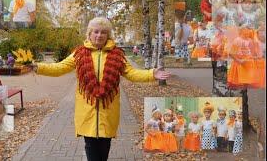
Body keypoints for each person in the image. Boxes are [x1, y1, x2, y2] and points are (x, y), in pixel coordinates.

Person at [33, 17, 171, 161]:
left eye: (103, 32)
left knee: (104, 150)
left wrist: (151, 74)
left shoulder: (117, 54)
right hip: (87, 113)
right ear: (90, 34)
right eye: (96, 32)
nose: (99, 35)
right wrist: (38, 67)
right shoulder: (79, 54)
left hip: (108, 113)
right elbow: (59, 68)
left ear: (108, 35)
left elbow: (131, 73)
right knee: (91, 150)